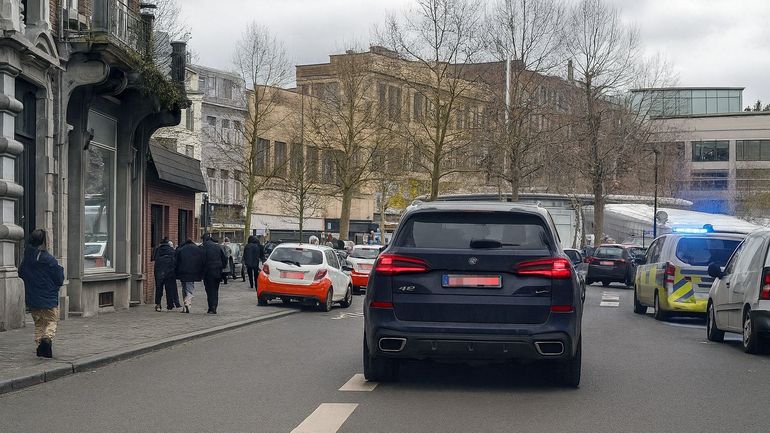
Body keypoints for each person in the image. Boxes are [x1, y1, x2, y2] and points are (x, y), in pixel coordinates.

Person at [18, 229, 64, 358]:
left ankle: (40, 346)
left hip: (33, 298)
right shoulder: (48, 259)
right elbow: (59, 278)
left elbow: (21, 273)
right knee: (51, 321)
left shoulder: (27, 259)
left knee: (39, 323)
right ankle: (47, 339)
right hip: (48, 297)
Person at [175, 238, 204, 313]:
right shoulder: (197, 249)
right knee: (190, 288)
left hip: (183, 272)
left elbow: (176, 260)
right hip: (193, 272)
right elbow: (201, 261)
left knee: (184, 288)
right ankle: (188, 302)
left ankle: (185, 306)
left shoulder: (181, 249)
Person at [152, 238, 180, 311]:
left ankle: (158, 304)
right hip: (170, 272)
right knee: (169, 289)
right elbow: (176, 261)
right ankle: (170, 305)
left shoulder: (157, 249)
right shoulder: (171, 250)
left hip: (159, 271)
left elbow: (153, 258)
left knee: (159, 288)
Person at [201, 234, 227, 314]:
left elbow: (201, 260)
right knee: (215, 289)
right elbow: (224, 258)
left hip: (208, 271)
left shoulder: (203, 248)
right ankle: (214, 306)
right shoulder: (218, 247)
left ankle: (211, 307)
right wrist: (222, 267)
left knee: (209, 290)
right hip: (218, 271)